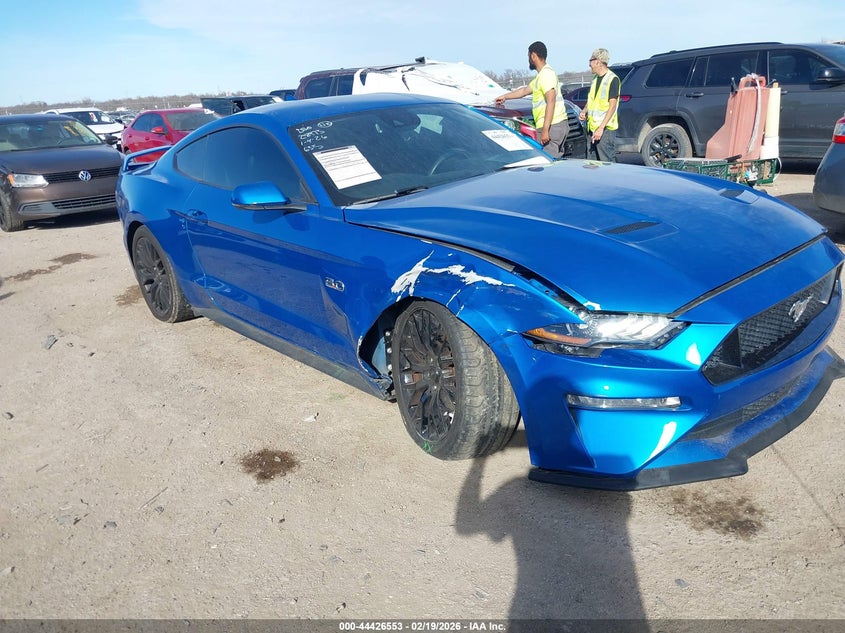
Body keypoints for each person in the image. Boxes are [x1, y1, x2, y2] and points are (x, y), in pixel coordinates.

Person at [495, 41, 568, 158]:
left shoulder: (546, 75)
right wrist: (505, 96)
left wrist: (545, 130)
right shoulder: (541, 77)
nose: (528, 59)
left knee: (549, 162)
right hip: (553, 126)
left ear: (533, 56)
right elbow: (524, 91)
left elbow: (551, 100)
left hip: (552, 127)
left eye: (528, 56)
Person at [579, 47, 620, 162]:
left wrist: (601, 128)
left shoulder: (613, 79)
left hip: (605, 130)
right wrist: (584, 111)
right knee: (592, 164)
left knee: (607, 164)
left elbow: (612, 106)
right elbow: (592, 100)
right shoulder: (595, 79)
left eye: (591, 61)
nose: (589, 64)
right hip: (592, 128)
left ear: (598, 61)